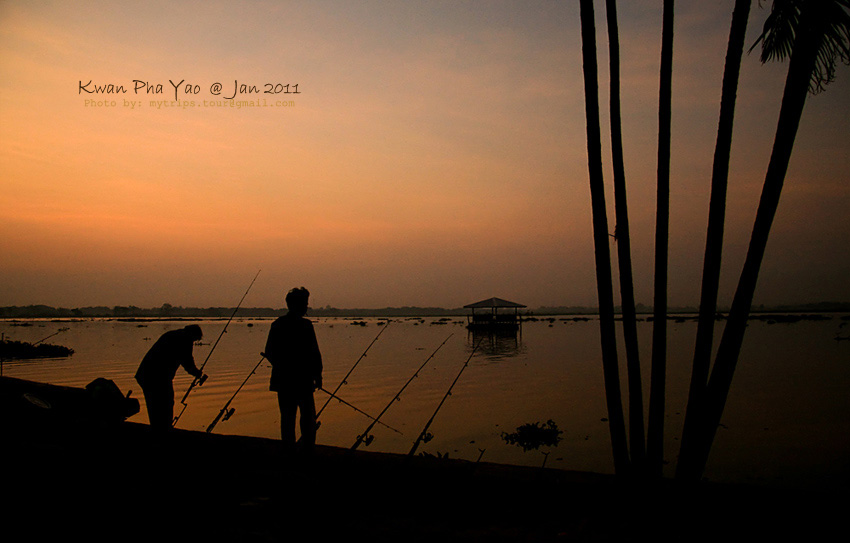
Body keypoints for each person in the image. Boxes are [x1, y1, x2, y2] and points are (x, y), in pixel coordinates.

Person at [263, 287, 323, 453]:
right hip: (301, 380)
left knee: (288, 418)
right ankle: (308, 450)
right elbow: (314, 353)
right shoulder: (305, 325)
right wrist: (317, 375)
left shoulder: (277, 324)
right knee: (307, 418)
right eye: (305, 303)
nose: (306, 306)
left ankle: (290, 450)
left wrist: (282, 365)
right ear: (298, 305)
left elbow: (269, 352)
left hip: (284, 380)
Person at [134, 324, 205, 428]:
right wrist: (197, 373)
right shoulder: (184, 340)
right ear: (192, 335)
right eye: (194, 340)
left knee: (155, 403)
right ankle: (164, 428)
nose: (193, 342)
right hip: (156, 376)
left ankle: (159, 427)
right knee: (165, 401)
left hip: (147, 374)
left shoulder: (172, 334)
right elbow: (187, 362)